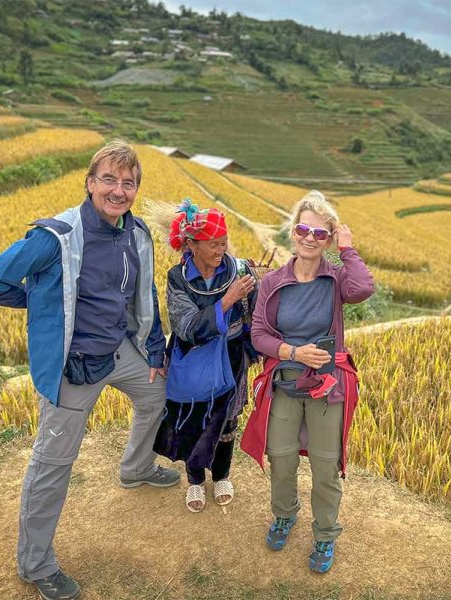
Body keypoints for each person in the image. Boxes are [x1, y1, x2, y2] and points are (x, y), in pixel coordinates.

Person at [0, 140, 180, 600]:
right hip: (72, 364)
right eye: (109, 179)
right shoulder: (56, 236)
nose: (118, 190)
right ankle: (35, 564)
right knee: (53, 464)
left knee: (157, 394)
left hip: (118, 350)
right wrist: (41, 304)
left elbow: (143, 299)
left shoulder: (135, 234)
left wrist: (154, 352)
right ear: (90, 183)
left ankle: (137, 466)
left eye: (128, 182)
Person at [241, 190, 374, 573]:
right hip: (286, 382)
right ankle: (285, 515)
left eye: (320, 233)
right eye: (303, 228)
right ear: (292, 231)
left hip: (326, 389)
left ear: (329, 239)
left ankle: (325, 535)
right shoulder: (275, 282)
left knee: (325, 465)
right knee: (280, 459)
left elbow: (363, 288)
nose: (309, 238)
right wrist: (294, 353)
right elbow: (259, 334)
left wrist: (348, 249)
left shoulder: (336, 280)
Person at [152, 200, 259, 512]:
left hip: (231, 356)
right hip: (193, 359)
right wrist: (227, 301)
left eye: (224, 243)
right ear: (192, 245)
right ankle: (195, 480)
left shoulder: (239, 270)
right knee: (192, 420)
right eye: (213, 244)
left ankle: (222, 474)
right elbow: (186, 328)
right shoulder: (178, 278)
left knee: (227, 420)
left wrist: (251, 349)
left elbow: (255, 315)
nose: (220, 250)